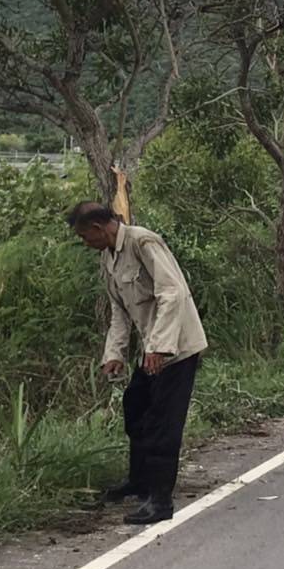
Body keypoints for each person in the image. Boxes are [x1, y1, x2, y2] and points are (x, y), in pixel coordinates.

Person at [68, 201, 207, 525]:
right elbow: (120, 311)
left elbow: (172, 293)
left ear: (99, 228)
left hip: (177, 348)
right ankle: (139, 482)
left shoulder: (143, 242)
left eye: (85, 236)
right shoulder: (109, 258)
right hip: (152, 348)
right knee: (136, 409)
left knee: (163, 422)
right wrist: (114, 354)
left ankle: (160, 502)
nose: (84, 243)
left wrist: (160, 347)